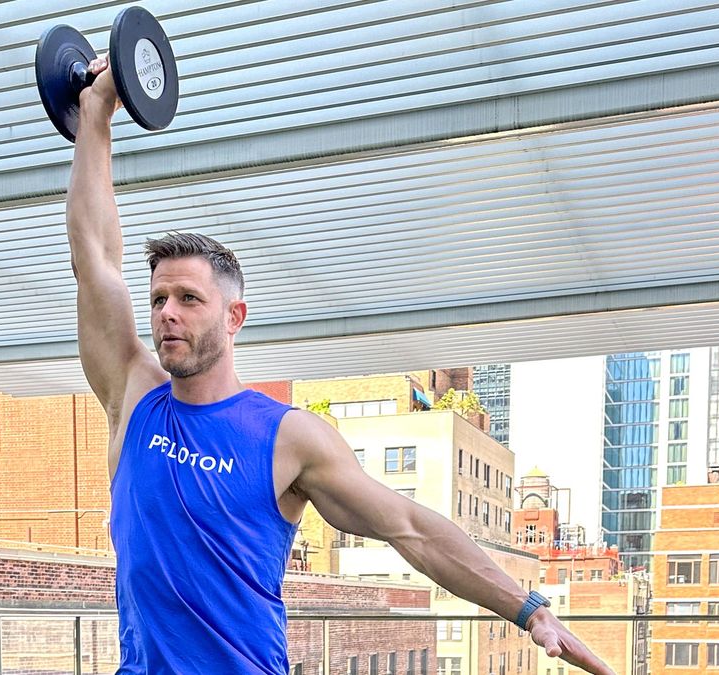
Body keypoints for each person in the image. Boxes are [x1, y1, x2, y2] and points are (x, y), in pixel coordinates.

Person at [66, 56, 616, 675]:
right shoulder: (135, 394)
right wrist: (96, 115)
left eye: (190, 299)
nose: (168, 314)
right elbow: (96, 259)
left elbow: (410, 527)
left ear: (233, 316)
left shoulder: (287, 436)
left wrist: (530, 609)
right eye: (160, 299)